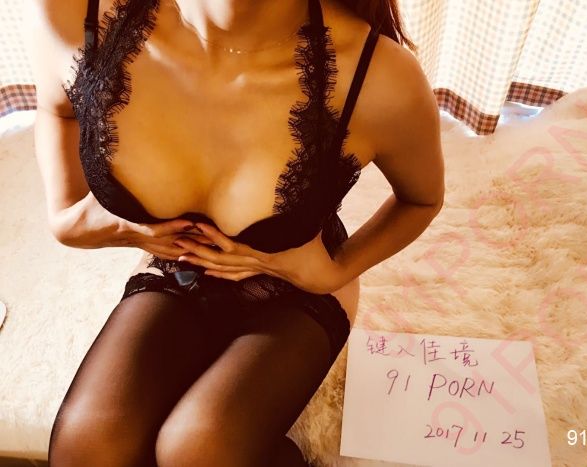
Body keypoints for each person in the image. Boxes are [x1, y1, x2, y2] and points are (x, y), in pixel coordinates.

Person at [26, 0, 444, 465]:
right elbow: (58, 108)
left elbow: (421, 199)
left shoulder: (376, 76)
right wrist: (69, 218)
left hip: (294, 290)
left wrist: (333, 270)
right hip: (178, 270)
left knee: (196, 450)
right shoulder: (77, 15)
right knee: (88, 447)